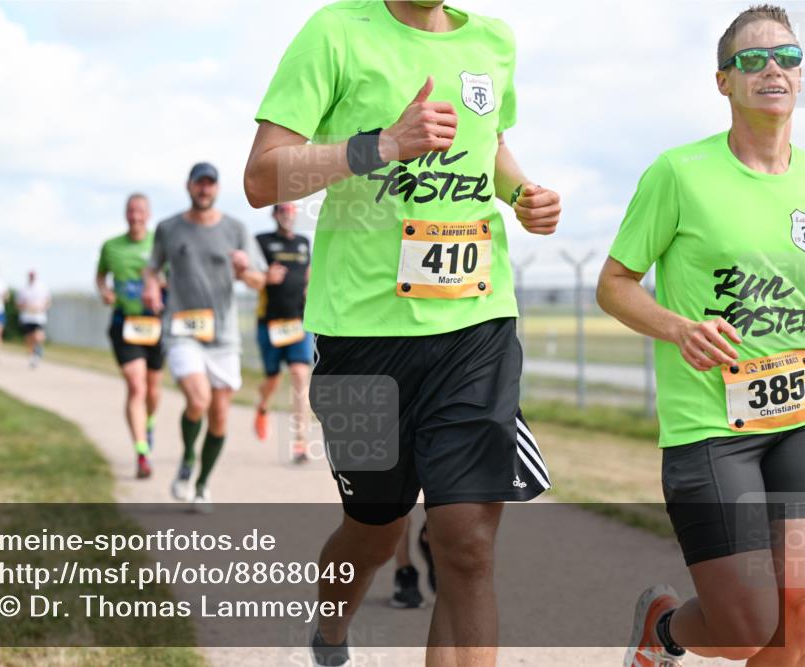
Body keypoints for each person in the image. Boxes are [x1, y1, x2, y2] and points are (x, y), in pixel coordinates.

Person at [245, 2, 560, 665]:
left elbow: (490, 140)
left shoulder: (494, 41)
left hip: (475, 326)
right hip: (362, 340)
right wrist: (382, 145)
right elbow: (261, 176)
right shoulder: (335, 32)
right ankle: (330, 627)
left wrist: (522, 190)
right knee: (375, 529)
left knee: (466, 545)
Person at [597, 6, 804, 666]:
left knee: (796, 615)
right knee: (746, 626)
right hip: (713, 429)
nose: (773, 68)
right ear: (724, 81)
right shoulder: (678, 173)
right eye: (753, 59)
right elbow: (614, 283)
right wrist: (677, 327)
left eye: (788, 57)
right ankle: (662, 629)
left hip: (797, 420)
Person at [143, 162, 267, 511]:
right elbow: (152, 268)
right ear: (189, 186)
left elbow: (259, 281)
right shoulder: (168, 229)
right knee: (198, 400)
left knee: (220, 415)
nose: (204, 189)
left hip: (224, 336)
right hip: (181, 329)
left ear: (217, 188)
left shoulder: (236, 229)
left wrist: (245, 271)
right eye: (199, 183)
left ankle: (201, 484)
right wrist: (152, 288)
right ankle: (186, 461)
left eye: (210, 184)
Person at [97, 193, 165, 479]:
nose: (135, 216)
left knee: (152, 390)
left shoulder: (159, 244)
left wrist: (160, 288)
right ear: (126, 214)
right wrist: (104, 291)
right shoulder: (111, 247)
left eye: (140, 211)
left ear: (148, 214)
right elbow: (101, 276)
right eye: (131, 211)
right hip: (125, 324)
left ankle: (148, 423)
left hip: (155, 324)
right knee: (136, 386)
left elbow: (171, 278)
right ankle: (141, 453)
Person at [253, 202, 313, 463]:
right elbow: (249, 275)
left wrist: (310, 289)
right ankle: (263, 405)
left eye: (291, 211)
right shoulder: (261, 241)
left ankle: (301, 443)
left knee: (300, 375)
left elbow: (309, 274)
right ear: (274, 214)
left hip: (298, 322)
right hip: (270, 323)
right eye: (282, 211)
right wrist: (265, 276)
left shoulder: (303, 242)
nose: (288, 215)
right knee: (273, 380)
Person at [17, 270, 51, 369]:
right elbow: (18, 303)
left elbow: (48, 301)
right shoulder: (23, 289)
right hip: (27, 317)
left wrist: (42, 307)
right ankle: (32, 356)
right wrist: (26, 306)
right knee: (29, 338)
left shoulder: (42, 287)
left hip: (38, 317)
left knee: (38, 335)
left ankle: (38, 350)